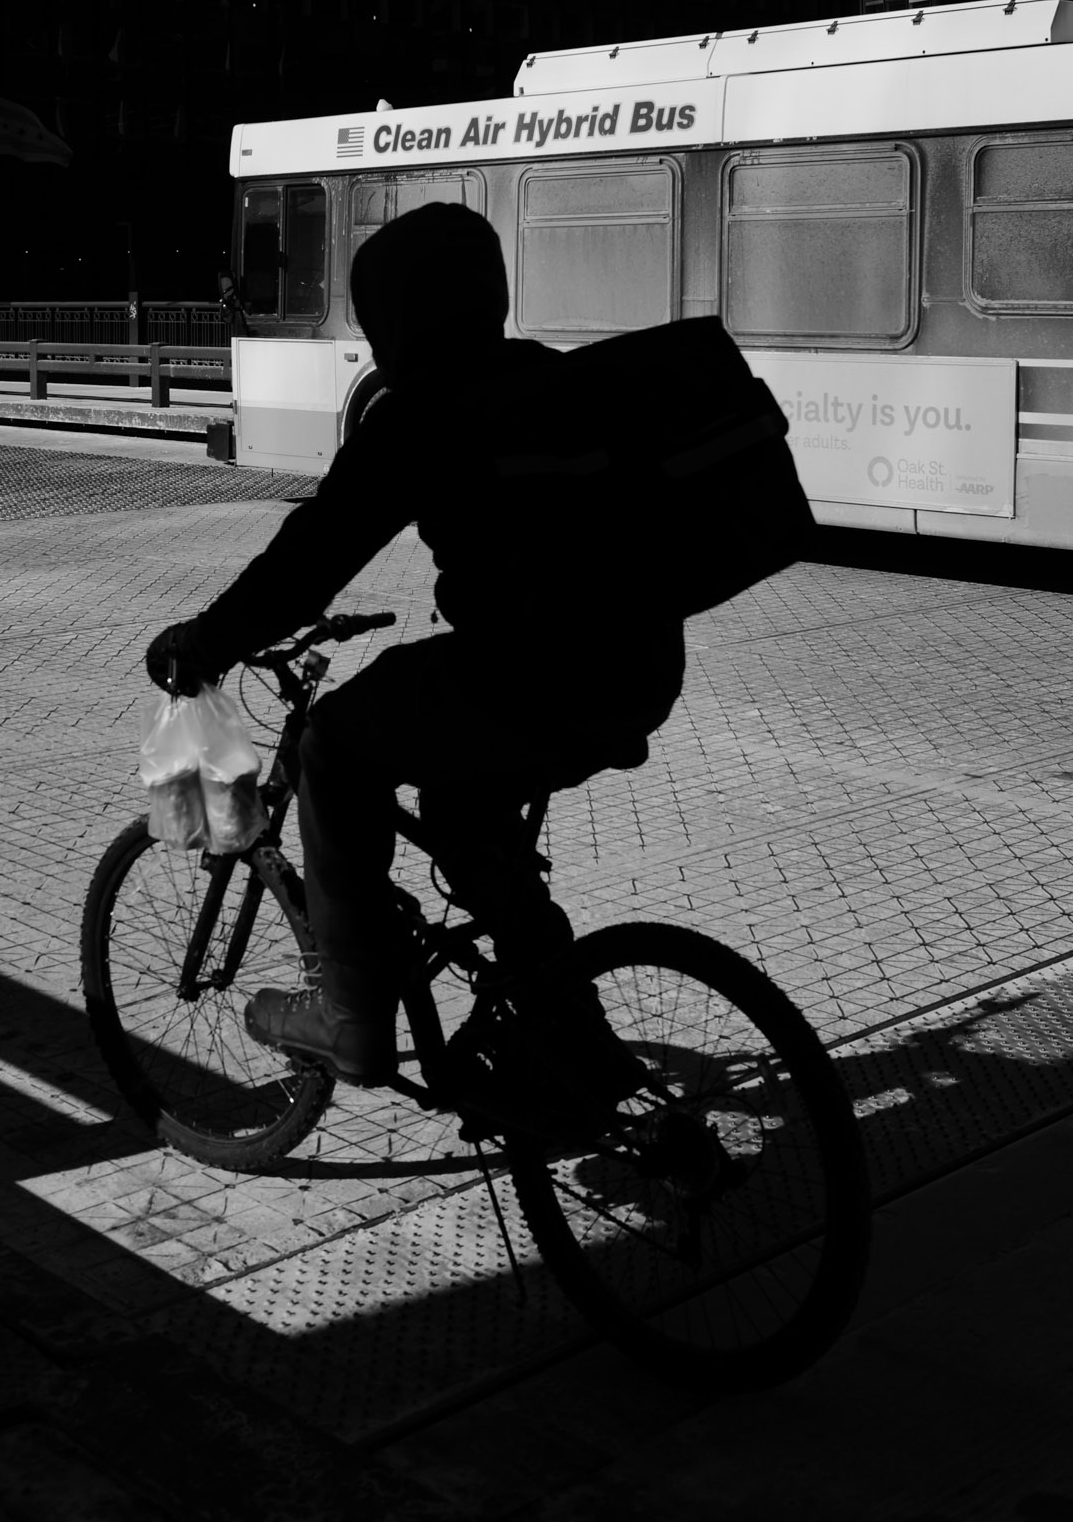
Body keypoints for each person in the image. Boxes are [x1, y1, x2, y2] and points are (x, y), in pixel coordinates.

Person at [145, 203, 686, 1116]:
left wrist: (198, 645)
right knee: (467, 814)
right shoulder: (565, 381)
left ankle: (351, 1018)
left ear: (394, 316)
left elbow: (304, 566)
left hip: (529, 675)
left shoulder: (423, 411)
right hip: (635, 673)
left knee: (331, 748)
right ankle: (571, 1037)